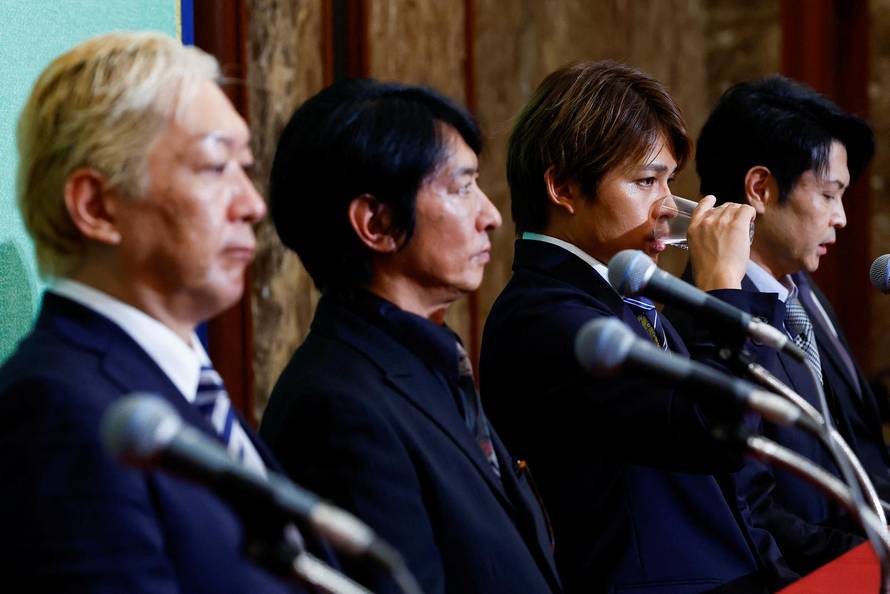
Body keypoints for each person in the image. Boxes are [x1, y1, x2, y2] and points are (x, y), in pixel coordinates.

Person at [0, 31, 324, 592]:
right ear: (98, 206)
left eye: (245, 168)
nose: (252, 204)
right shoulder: (58, 410)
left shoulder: (184, 391)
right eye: (215, 167)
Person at [479, 60, 795, 593]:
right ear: (563, 187)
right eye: (646, 180)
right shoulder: (544, 316)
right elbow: (711, 433)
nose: (668, 205)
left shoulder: (622, 293)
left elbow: (732, 481)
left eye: (669, 180)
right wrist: (720, 283)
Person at [260, 78, 562, 594]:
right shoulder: (338, 408)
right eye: (462, 188)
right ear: (376, 223)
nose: (490, 216)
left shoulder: (427, 361)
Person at [686, 74, 882, 573]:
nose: (841, 218)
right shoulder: (708, 317)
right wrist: (868, 557)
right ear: (761, 188)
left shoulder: (802, 289)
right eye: (829, 195)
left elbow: (843, 426)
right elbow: (752, 505)